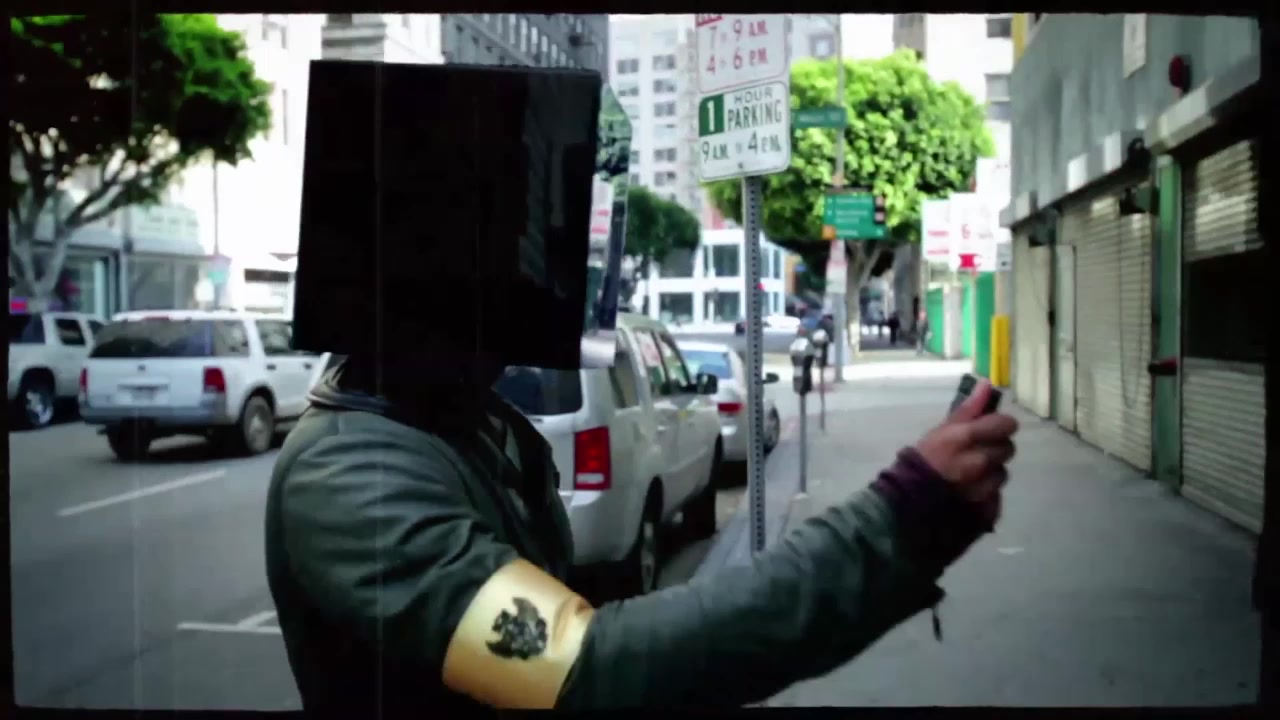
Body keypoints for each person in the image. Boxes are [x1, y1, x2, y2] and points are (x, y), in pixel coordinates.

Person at [266, 61, 1020, 717]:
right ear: (423, 255)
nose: (538, 264)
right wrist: (899, 521)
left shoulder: (463, 416)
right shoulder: (350, 475)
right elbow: (571, 666)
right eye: (511, 229)